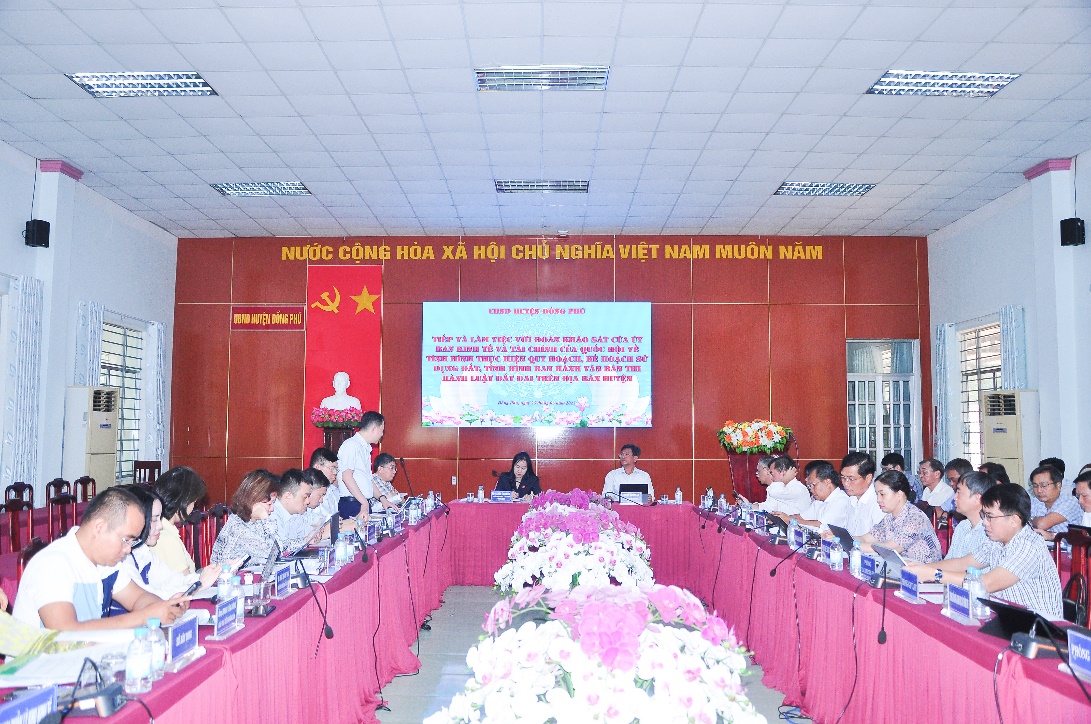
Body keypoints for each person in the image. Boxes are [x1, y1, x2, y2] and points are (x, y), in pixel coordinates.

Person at [13, 487, 190, 630]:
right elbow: (65, 635)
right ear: (99, 527)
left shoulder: (107, 563)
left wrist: (164, 608)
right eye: (126, 540)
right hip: (41, 663)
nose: (128, 549)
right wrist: (143, 617)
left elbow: (138, 599)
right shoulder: (53, 564)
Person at [905, 484, 1063, 619]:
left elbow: (986, 584)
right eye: (984, 515)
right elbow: (963, 563)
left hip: (1040, 630)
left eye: (990, 517)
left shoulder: (1028, 545)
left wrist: (934, 574)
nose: (985, 522)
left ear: (1014, 520)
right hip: (1009, 619)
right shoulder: (996, 541)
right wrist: (921, 567)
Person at [119, 486, 224, 606]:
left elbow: (176, 580)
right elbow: (153, 598)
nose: (160, 526)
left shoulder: (142, 551)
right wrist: (199, 585)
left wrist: (213, 573)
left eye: (160, 519)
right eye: (154, 520)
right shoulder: (121, 559)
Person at [856, 470, 941, 563]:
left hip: (924, 570)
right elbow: (865, 538)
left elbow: (888, 550)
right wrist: (846, 540)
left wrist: (855, 545)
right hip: (902, 567)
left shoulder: (915, 518)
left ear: (899, 494)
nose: (878, 500)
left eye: (882, 494)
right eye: (877, 494)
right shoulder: (889, 517)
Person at [210, 470, 279, 566]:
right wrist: (266, 519)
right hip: (228, 575)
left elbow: (280, 546)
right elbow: (274, 554)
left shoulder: (254, 521)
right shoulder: (238, 528)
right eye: (269, 504)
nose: (272, 508)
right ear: (254, 500)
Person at [151, 466, 208, 575]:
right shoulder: (164, 537)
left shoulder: (163, 530)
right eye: (194, 502)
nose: (193, 508)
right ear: (183, 502)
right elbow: (186, 582)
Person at [773, 460, 851, 531]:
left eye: (813, 485)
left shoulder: (841, 500)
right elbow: (801, 517)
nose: (811, 490)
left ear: (827, 482)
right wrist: (779, 518)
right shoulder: (819, 501)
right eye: (809, 486)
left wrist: (790, 520)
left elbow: (822, 525)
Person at [337, 411, 386, 517]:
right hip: (352, 504)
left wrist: (382, 499)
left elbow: (368, 480)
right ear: (373, 429)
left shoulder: (365, 448)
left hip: (362, 503)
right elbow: (346, 477)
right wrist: (364, 502)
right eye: (382, 430)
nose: (382, 434)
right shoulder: (351, 445)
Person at [945, 471, 996, 560]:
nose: (954, 497)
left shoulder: (989, 532)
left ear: (977, 498)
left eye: (959, 492)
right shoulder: (962, 527)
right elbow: (949, 561)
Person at [1028, 464, 1082, 539]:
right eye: (1035, 486)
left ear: (1058, 485)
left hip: (1067, 545)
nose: (1039, 490)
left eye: (1044, 485)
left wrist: (1031, 519)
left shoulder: (1070, 501)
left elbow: (1042, 525)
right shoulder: (1034, 501)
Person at [841, 452, 884, 536]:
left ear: (868, 478)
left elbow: (880, 540)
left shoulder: (880, 503)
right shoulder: (852, 498)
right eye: (843, 478)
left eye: (851, 479)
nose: (845, 484)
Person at [271, 469, 314, 550]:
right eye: (305, 497)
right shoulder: (272, 513)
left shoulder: (295, 512)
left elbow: (308, 533)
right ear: (288, 496)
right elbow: (281, 548)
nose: (308, 502)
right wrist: (306, 541)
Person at [309, 447, 342, 518]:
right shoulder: (308, 491)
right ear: (318, 467)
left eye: (336, 469)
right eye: (332, 468)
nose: (335, 472)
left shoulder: (331, 490)